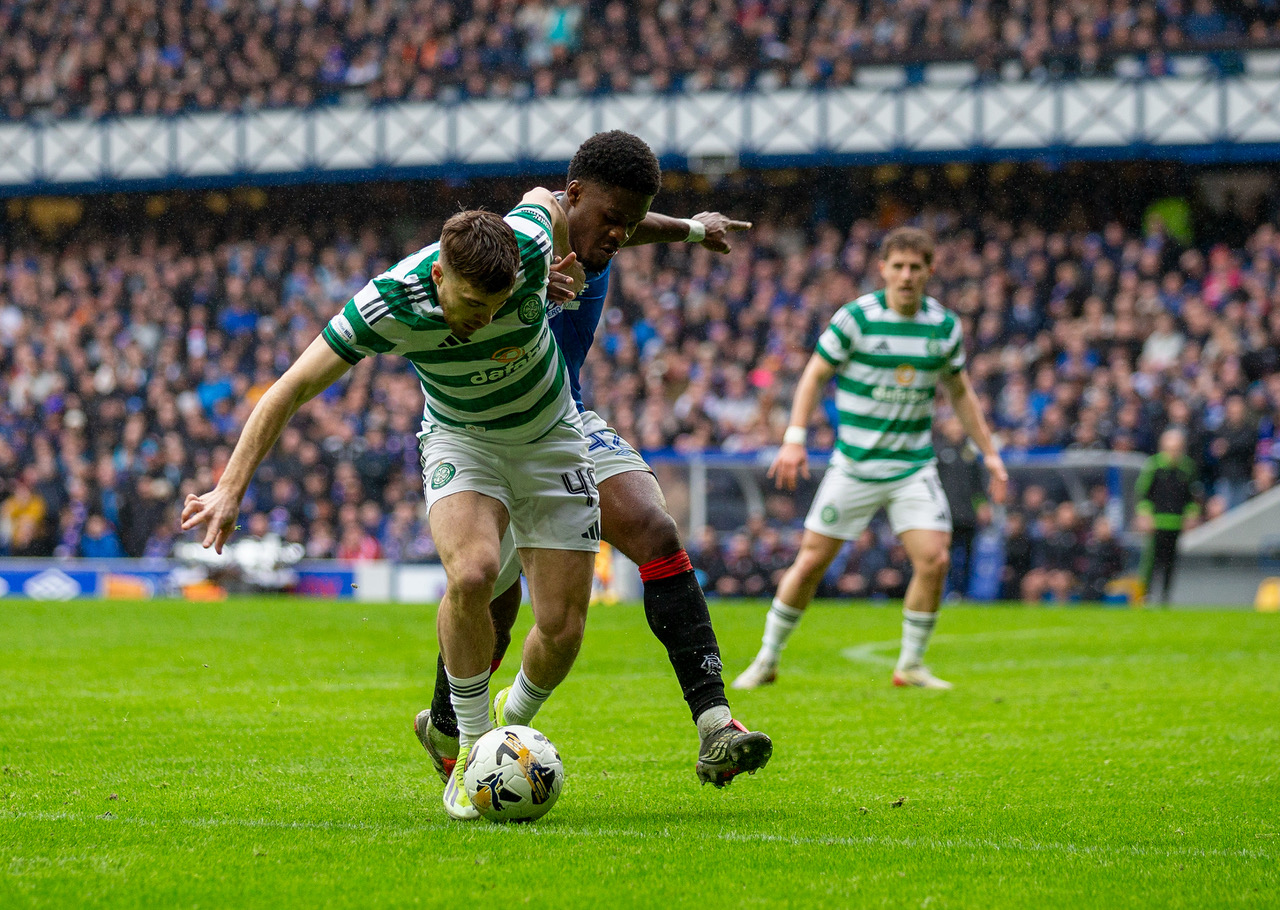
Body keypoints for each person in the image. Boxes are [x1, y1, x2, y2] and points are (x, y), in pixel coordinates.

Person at [182, 200, 601, 821]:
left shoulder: (530, 247)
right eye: (469, 307)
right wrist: (229, 488)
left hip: (551, 436)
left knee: (563, 629)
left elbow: (548, 203)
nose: (481, 323)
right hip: (463, 439)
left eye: (494, 308)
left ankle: (504, 733)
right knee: (473, 572)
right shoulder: (386, 305)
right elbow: (289, 389)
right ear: (438, 278)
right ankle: (469, 754)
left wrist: (562, 262)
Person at [415, 131, 773, 790]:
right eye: (610, 220)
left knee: (656, 529)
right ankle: (447, 722)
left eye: (628, 224)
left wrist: (693, 230)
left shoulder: (607, 232)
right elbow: (529, 208)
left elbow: (637, 228)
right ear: (572, 197)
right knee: (492, 593)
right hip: (481, 435)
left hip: (566, 423)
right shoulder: (520, 247)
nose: (617, 237)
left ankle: (715, 722)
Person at [732, 227, 1007, 691]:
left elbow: (960, 391)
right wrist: (794, 437)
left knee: (935, 559)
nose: (906, 275)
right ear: (882, 269)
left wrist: (991, 454)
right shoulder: (855, 318)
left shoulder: (943, 326)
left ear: (929, 272)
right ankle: (767, 658)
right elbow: (815, 374)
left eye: (915, 267)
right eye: (897, 266)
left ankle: (911, 665)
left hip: (911, 468)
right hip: (855, 466)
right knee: (811, 563)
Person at [1135, 428, 1201, 606]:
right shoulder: (1154, 466)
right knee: (1150, 562)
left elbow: (1191, 497)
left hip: (1176, 522)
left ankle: (1165, 598)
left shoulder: (1187, 468)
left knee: (1170, 562)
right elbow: (1143, 494)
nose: (1173, 453)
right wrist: (1145, 514)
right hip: (1156, 522)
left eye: (1177, 449)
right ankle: (1144, 597)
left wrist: (1191, 514)